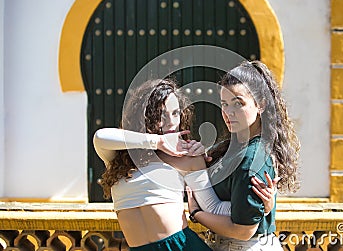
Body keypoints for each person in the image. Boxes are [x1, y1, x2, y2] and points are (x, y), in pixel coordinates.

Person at [93, 79, 270, 250]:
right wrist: (157, 141)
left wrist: (262, 205)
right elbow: (100, 137)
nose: (171, 122)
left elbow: (213, 207)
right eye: (162, 114)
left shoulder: (188, 156)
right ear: (144, 115)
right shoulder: (121, 156)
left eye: (176, 113)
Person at [185, 60, 301, 251]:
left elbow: (243, 230)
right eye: (224, 104)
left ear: (261, 104)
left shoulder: (250, 159)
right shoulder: (232, 149)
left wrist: (196, 213)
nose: (228, 112)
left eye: (238, 103)